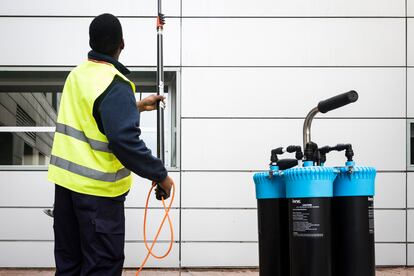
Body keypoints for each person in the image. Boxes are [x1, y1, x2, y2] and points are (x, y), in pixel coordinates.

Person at [47, 13, 173, 276]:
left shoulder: (76, 76)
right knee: (102, 267)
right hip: (98, 197)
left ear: (91, 42)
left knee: (69, 266)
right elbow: (123, 140)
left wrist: (135, 106)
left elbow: (91, 117)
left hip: (66, 191)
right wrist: (160, 175)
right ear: (122, 44)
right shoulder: (115, 84)